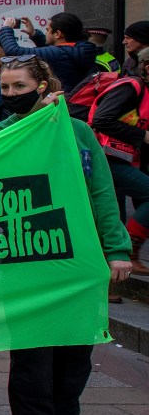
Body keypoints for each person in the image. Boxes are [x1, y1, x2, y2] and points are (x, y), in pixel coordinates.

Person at [0, 55, 133, 415]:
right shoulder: (0, 133)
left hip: (79, 259)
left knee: (76, 350)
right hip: (25, 259)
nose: (11, 94)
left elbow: (102, 193)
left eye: (19, 86)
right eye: (6, 88)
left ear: (44, 86)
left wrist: (117, 249)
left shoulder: (80, 133)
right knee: (34, 350)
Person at [88, 46, 149, 286]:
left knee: (115, 215)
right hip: (103, 157)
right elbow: (101, 119)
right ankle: (131, 252)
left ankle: (111, 286)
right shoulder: (130, 87)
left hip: (119, 159)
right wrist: (142, 136)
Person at [0, 12, 97, 92]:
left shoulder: (59, 53)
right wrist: (34, 34)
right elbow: (50, 51)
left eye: (48, 30)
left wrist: (6, 29)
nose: (46, 33)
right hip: (74, 103)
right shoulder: (79, 51)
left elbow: (13, 51)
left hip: (60, 104)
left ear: (57, 34)